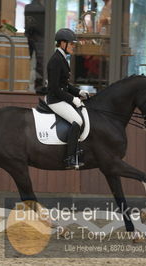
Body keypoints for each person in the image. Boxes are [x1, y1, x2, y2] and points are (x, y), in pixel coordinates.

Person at [46, 28, 89, 169]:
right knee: (77, 120)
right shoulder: (55, 61)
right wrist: (72, 99)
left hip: (61, 97)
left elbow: (64, 84)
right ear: (62, 43)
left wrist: (79, 92)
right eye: (71, 44)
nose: (73, 46)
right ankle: (70, 158)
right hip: (55, 100)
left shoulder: (62, 59)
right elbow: (55, 88)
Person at [24, 0, 45, 89]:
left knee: (26, 61)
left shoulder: (28, 7)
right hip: (40, 37)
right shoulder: (43, 8)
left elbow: (28, 23)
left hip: (29, 35)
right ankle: (39, 85)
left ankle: (25, 83)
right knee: (40, 63)